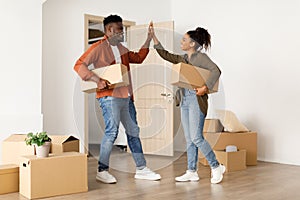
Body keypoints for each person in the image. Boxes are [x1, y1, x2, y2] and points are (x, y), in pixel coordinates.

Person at [74, 15, 161, 184]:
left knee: (133, 133)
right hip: (109, 98)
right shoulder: (98, 48)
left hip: (127, 98)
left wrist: (149, 39)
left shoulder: (122, 49)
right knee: (111, 133)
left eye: (122, 28)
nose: (122, 32)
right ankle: (102, 170)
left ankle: (141, 168)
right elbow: (79, 65)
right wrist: (96, 80)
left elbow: (139, 58)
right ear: (109, 30)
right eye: (120, 29)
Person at [150, 25, 225, 184]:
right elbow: (166, 55)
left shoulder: (201, 58)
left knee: (197, 138)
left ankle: (216, 166)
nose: (181, 41)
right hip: (184, 99)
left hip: (196, 99)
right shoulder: (184, 59)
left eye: (184, 39)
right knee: (190, 138)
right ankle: (192, 171)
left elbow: (216, 71)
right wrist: (154, 38)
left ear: (192, 44)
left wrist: (205, 88)